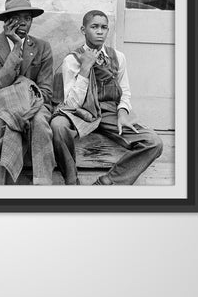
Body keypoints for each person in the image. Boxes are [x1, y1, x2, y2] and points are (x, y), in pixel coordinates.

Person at [51, 10, 163, 185]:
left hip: (109, 112)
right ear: (83, 30)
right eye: (94, 27)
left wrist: (123, 113)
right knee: (58, 126)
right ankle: (71, 181)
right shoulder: (72, 60)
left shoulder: (118, 57)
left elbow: (124, 91)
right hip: (81, 113)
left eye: (104, 27)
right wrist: (85, 68)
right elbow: (71, 103)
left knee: (154, 142)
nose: (100, 31)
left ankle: (108, 181)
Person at [0, 0, 55, 185]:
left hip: (36, 106)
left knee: (40, 123)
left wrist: (26, 107)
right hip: (4, 107)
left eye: (28, 18)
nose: (23, 23)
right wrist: (16, 47)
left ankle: (42, 184)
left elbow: (46, 92)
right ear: (6, 21)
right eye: (17, 18)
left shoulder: (42, 47)